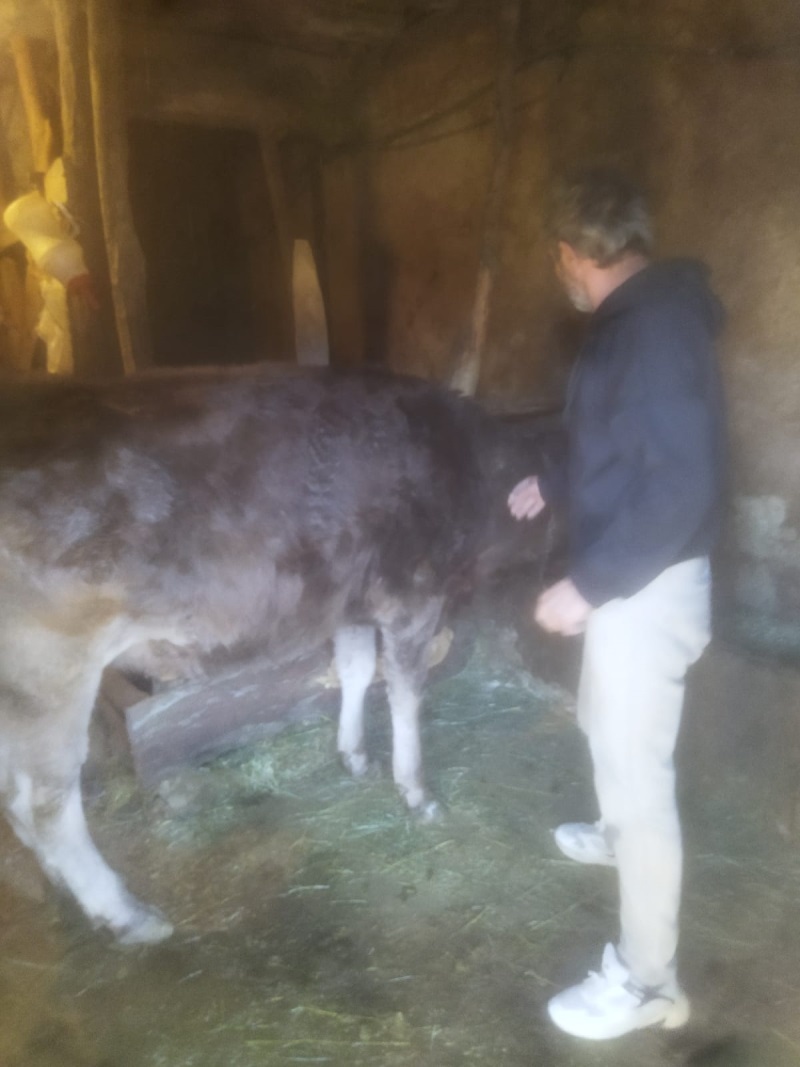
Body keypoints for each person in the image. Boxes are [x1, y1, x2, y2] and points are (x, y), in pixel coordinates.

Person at [508, 169, 726, 1040]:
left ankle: (648, 981)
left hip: (647, 579)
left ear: (571, 252)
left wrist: (588, 584)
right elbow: (616, 440)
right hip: (630, 572)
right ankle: (612, 832)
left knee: (641, 781)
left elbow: (678, 482)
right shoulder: (634, 318)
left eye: (557, 255)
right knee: (602, 717)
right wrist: (555, 480)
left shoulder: (655, 331)